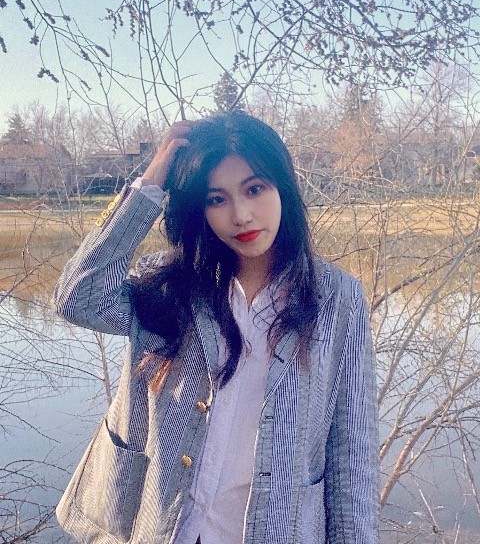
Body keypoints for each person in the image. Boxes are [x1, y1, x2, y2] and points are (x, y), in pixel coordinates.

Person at [54, 111, 379, 544]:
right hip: (163, 527)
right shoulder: (171, 284)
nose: (241, 215)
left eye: (254, 189)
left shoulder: (336, 297)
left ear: (282, 187)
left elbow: (352, 452)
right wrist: (149, 184)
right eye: (216, 199)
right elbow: (78, 299)